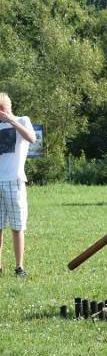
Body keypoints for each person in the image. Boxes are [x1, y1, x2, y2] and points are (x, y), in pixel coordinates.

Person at [0, 92, 36, 278]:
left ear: (7, 107)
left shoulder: (22, 120)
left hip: (14, 180)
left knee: (17, 226)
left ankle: (19, 267)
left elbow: (32, 139)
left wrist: (11, 121)